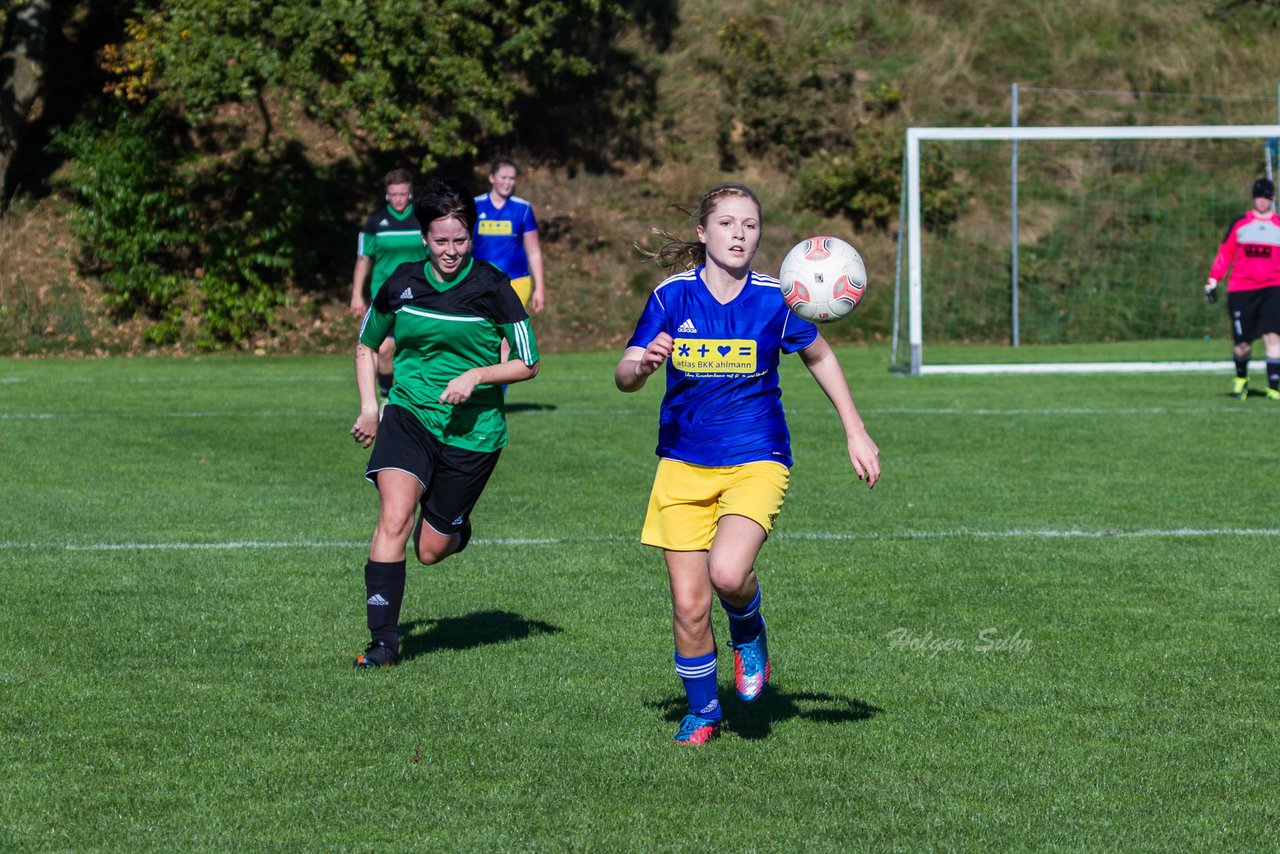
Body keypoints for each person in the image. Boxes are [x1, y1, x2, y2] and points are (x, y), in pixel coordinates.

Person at [614, 183, 881, 744]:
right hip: (682, 464)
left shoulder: (776, 298)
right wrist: (643, 365)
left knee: (728, 573)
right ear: (702, 232)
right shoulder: (671, 297)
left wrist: (855, 430)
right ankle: (705, 712)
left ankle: (748, 628)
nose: (740, 235)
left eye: (751, 225)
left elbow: (820, 355)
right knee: (688, 607)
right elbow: (625, 374)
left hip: (757, 457)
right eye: (729, 223)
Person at [349, 178, 541, 669]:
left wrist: (477, 374)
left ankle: (456, 528)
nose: (451, 250)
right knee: (394, 516)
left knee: (431, 549)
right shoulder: (402, 285)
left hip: (473, 433)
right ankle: (383, 643)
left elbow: (528, 362)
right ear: (425, 239)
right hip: (409, 413)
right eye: (441, 240)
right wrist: (372, 406)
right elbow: (367, 345)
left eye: (460, 240)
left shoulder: (493, 287)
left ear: (471, 238)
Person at [350, 168, 428, 399]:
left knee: (418, 350)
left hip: (420, 294)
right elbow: (364, 258)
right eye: (394, 194)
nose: (398, 199)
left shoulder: (422, 217)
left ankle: (419, 398)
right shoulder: (375, 220)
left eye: (403, 194)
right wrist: (357, 294)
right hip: (386, 295)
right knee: (383, 349)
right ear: (387, 194)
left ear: (410, 193)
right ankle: (385, 397)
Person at [1205, 177, 1280, 400]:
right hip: (1242, 290)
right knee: (1242, 343)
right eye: (1258, 197)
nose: (1262, 201)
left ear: (1273, 199)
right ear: (1253, 198)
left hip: (1273, 288)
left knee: (1274, 337)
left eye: (1266, 197)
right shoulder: (1240, 224)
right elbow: (1225, 254)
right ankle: (1241, 381)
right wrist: (1212, 280)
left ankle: (1274, 387)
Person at [473, 157, 546, 365]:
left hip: (516, 281)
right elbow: (463, 243)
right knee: (484, 337)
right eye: (503, 177)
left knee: (506, 338)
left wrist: (539, 288)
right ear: (491, 178)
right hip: (480, 282)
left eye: (512, 178)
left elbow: (534, 251)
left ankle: (499, 392)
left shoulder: (522, 209)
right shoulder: (475, 205)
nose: (508, 182)